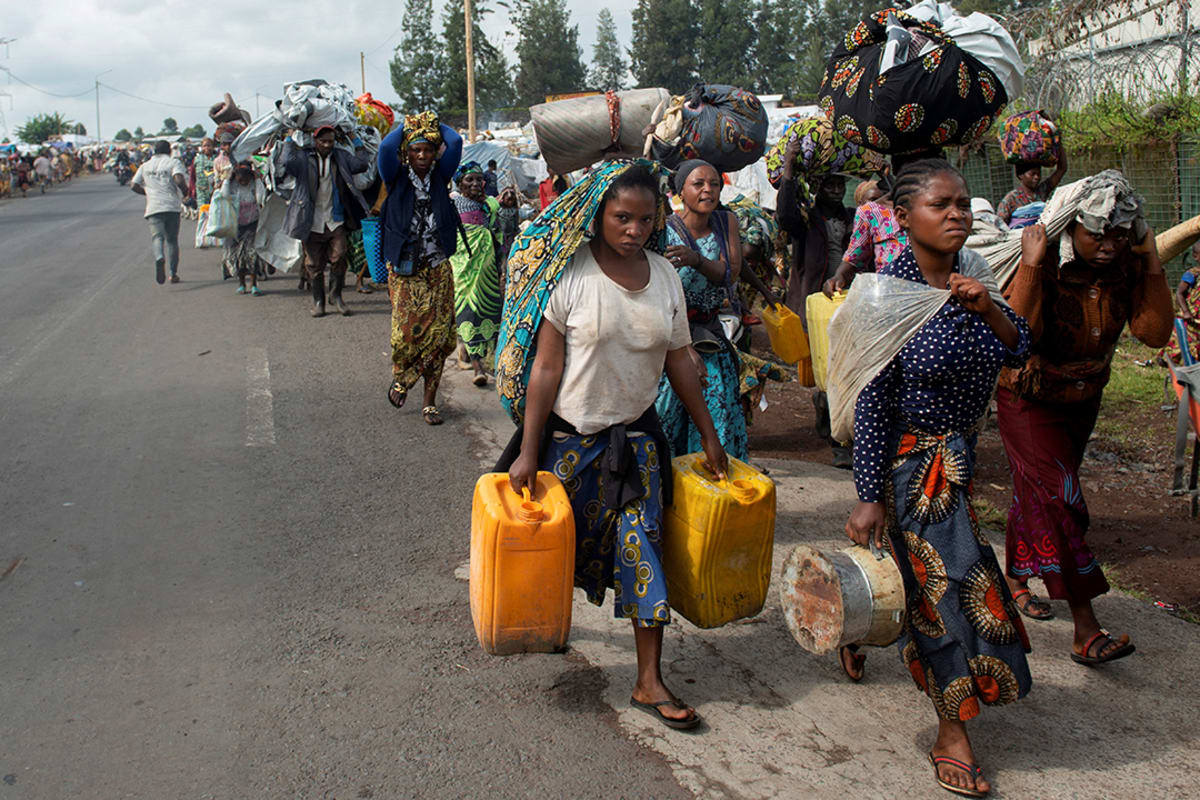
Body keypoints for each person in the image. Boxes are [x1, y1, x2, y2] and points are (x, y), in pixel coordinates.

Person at [500, 161, 728, 732]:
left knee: (640, 547)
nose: (633, 229)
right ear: (599, 213)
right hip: (570, 447)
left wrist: (707, 432)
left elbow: (679, 359)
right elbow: (547, 369)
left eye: (645, 219)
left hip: (637, 446)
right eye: (621, 217)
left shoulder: (666, 278)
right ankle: (546, 625)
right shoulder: (570, 275)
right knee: (561, 554)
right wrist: (529, 452)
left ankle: (648, 680)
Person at [844, 159, 1033, 798]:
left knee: (935, 586)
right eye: (940, 205)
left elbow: (1018, 347)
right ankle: (951, 733)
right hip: (907, 468)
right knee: (945, 596)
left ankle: (861, 625)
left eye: (962, 204)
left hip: (958, 463)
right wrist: (869, 496)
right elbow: (871, 404)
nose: (957, 214)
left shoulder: (974, 277)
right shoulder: (883, 295)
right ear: (902, 218)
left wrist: (989, 311)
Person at [996, 172, 1172, 664]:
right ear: (1072, 228)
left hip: (1084, 399)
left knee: (1040, 491)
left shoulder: (1126, 269)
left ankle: (1014, 576)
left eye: (1121, 235)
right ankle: (1086, 626)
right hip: (1029, 398)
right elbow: (1014, 338)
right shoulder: (1044, 264)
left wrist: (1151, 259)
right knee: (1061, 499)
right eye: (1099, 233)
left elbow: (1154, 333)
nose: (1110, 245)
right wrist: (1031, 266)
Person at [654, 159, 748, 461]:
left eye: (715, 184)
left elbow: (730, 272)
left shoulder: (725, 222)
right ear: (681, 190)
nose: (708, 190)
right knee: (666, 414)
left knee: (716, 409)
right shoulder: (664, 232)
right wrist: (681, 346)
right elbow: (656, 294)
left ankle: (713, 487)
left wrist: (696, 260)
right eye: (699, 184)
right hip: (671, 337)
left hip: (710, 335)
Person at [377, 111, 463, 425]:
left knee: (439, 334)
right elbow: (386, 149)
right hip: (404, 266)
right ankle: (402, 377)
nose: (423, 155)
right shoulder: (395, 175)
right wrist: (409, 127)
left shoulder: (441, 176)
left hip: (438, 264)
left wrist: (431, 126)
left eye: (428, 149)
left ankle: (429, 401)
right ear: (407, 153)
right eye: (416, 149)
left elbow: (455, 141)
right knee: (405, 334)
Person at [776, 137, 854, 468]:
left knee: (845, 368)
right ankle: (835, 432)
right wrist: (790, 167)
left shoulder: (855, 217)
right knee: (826, 369)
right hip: (815, 302)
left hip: (851, 298)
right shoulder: (806, 219)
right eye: (830, 184)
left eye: (840, 184)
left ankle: (841, 432)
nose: (836, 190)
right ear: (818, 187)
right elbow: (785, 215)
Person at [282, 125, 371, 317]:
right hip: (311, 219)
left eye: (330, 141)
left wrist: (354, 138)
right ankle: (318, 301)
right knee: (313, 264)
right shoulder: (305, 158)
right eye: (322, 141)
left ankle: (336, 296)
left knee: (339, 257)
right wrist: (290, 138)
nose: (326, 144)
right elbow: (287, 163)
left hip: (335, 218)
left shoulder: (341, 157)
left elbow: (362, 164)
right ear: (315, 141)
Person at [450, 161, 503, 386]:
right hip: (463, 265)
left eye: (478, 179)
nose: (474, 183)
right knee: (467, 309)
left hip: (487, 265)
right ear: (460, 183)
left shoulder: (489, 205)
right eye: (469, 179)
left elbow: (497, 234)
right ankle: (477, 366)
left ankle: (470, 354)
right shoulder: (453, 202)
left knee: (487, 308)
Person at [824, 182, 909, 296]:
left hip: (931, 294)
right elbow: (854, 257)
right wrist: (839, 276)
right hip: (888, 295)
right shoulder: (871, 212)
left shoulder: (932, 207)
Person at [130, 140, 189, 284]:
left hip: (153, 207)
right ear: (169, 150)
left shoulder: (145, 166)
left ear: (154, 151)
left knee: (157, 238)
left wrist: (148, 193)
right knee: (172, 241)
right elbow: (179, 180)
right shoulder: (173, 162)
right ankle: (172, 273)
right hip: (171, 206)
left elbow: (133, 185)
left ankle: (159, 257)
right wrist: (186, 193)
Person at [219, 160, 267, 296]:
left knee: (251, 254)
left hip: (252, 223)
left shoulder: (254, 183)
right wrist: (227, 179)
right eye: (240, 178)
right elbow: (224, 195)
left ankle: (254, 284)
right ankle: (241, 284)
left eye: (246, 178)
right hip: (234, 224)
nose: (243, 181)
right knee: (238, 256)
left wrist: (257, 181)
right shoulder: (231, 184)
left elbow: (260, 199)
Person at [997, 145, 1069, 225]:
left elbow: (1062, 169)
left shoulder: (1042, 191)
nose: (1037, 177)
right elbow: (1000, 224)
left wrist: (1059, 143)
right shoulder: (1011, 199)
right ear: (1020, 175)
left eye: (1038, 174)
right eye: (1032, 174)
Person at [1161, 240, 1200, 363]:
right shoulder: (1192, 274)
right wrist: (1186, 312)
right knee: (1182, 346)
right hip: (1191, 319)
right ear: (1195, 256)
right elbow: (1179, 293)